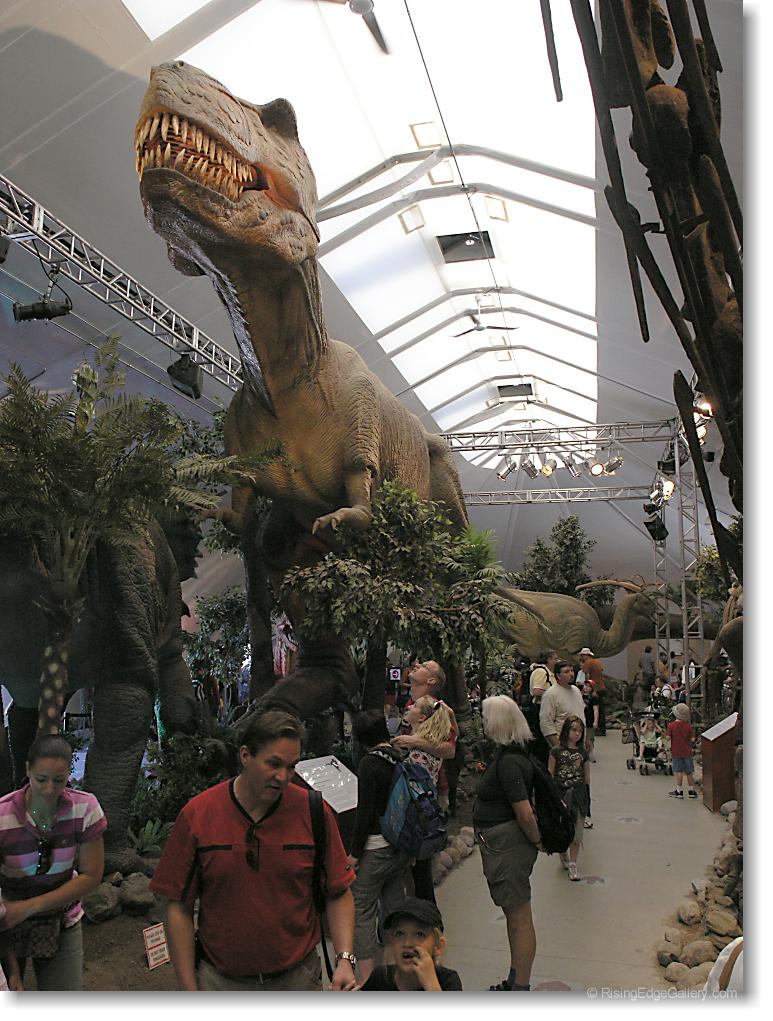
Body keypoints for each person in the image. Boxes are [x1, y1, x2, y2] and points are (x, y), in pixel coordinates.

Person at [150, 709, 357, 991]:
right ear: (245, 755)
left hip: (296, 979)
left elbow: (339, 891)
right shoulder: (199, 814)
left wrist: (345, 959)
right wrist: (189, 989)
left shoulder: (313, 812)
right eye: (273, 764)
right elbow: (178, 906)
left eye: (291, 766)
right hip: (220, 982)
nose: (283, 777)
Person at [0, 733, 106, 991]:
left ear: (69, 773)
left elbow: (91, 875)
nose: (49, 789)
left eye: (58, 780)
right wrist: (12, 972)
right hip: (6, 920)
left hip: (61, 916)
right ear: (28, 769)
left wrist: (29, 907)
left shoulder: (85, 809)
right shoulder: (3, 816)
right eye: (41, 779)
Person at [473, 695, 541, 991]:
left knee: (519, 917)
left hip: (508, 846)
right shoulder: (508, 756)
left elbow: (524, 812)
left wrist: (536, 840)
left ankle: (520, 985)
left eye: (486, 718)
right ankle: (515, 978)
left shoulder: (510, 762)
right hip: (502, 844)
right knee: (514, 915)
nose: (483, 723)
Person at [348, 710, 411, 985]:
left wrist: (354, 853)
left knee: (362, 910)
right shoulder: (401, 757)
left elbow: (365, 812)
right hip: (400, 847)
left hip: (375, 847)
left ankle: (367, 980)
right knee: (393, 911)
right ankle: (394, 975)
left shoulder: (369, 764)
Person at [393, 660, 457, 904]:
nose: (416, 665)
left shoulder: (439, 709)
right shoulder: (412, 706)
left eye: (424, 666)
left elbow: (449, 750)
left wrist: (413, 742)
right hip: (410, 792)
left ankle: (425, 913)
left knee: (420, 866)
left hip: (423, 796)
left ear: (431, 680)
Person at [358, 897, 462, 991]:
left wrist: (431, 985)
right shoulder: (381, 978)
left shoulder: (447, 980)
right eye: (399, 934)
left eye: (419, 934)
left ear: (438, 946)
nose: (407, 943)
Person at [548, 716, 590, 881]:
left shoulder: (583, 753)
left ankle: (573, 863)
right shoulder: (556, 751)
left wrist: (587, 799)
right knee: (562, 829)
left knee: (577, 832)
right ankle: (563, 854)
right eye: (574, 730)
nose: (577, 734)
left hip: (579, 796)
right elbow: (550, 775)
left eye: (580, 731)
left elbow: (587, 777)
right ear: (566, 730)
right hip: (561, 795)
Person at [401, 697, 453, 785]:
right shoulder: (430, 743)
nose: (409, 707)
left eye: (415, 706)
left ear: (422, 717)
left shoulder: (418, 753)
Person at [539, 660, 586, 753]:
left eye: (572, 671)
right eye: (566, 672)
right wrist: (558, 747)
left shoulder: (576, 691)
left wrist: (586, 739)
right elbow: (546, 723)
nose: (571, 674)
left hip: (579, 744)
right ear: (558, 675)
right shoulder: (551, 694)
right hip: (562, 744)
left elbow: (581, 715)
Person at [666, 703, 697, 798]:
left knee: (679, 771)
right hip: (687, 752)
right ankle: (691, 791)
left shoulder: (671, 725)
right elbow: (693, 739)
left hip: (676, 751)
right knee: (689, 772)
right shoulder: (688, 726)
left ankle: (679, 791)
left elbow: (667, 738)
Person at [578, 648, 606, 735]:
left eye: (582, 655)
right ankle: (602, 728)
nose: (582, 657)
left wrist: (588, 687)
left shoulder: (587, 663)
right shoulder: (597, 662)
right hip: (601, 687)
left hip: (594, 688)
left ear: (586, 655)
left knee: (593, 708)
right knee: (600, 709)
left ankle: (596, 728)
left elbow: (587, 676)